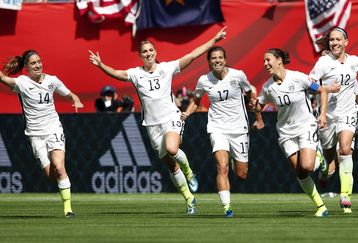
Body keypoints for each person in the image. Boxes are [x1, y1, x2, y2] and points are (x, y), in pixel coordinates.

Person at [88, 26, 228, 214]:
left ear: (156, 52)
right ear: (140, 55)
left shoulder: (167, 68)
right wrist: (100, 64)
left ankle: (190, 173)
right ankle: (189, 199)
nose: (148, 54)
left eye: (151, 50)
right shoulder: (136, 74)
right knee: (170, 164)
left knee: (172, 149)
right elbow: (117, 73)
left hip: (171, 117)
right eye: (144, 51)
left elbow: (193, 54)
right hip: (151, 125)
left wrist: (214, 40)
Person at [181, 46, 264, 217]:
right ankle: (227, 208)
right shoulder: (204, 80)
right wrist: (187, 113)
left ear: (225, 59)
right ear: (209, 62)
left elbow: (251, 95)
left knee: (241, 174)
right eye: (213, 58)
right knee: (222, 167)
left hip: (239, 128)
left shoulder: (238, 75)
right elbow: (196, 100)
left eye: (220, 57)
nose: (217, 61)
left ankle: (235, 158)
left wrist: (258, 118)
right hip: (217, 128)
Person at [0, 50, 83, 218]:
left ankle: (68, 209)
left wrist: (76, 100)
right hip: (35, 135)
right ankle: (62, 186)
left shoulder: (52, 80)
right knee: (53, 177)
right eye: (33, 63)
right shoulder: (21, 83)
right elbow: (2, 78)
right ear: (26, 67)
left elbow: (69, 94)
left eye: (39, 61)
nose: (37, 65)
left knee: (60, 168)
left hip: (53, 129)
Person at [254, 48, 329, 217]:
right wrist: (258, 119)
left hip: (305, 127)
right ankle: (321, 207)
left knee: (308, 166)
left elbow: (322, 90)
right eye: (264, 61)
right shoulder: (268, 87)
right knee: (300, 172)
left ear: (279, 60)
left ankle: (321, 159)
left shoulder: (299, 77)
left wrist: (323, 114)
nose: (265, 64)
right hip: (286, 133)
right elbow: (259, 105)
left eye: (268, 60)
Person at [309, 27, 358, 213]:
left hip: (348, 114)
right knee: (329, 161)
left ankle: (345, 195)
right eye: (331, 40)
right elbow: (310, 84)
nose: (335, 43)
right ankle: (324, 171)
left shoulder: (354, 61)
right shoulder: (323, 62)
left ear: (346, 41)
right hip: (328, 117)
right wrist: (327, 89)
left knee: (346, 149)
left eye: (338, 39)